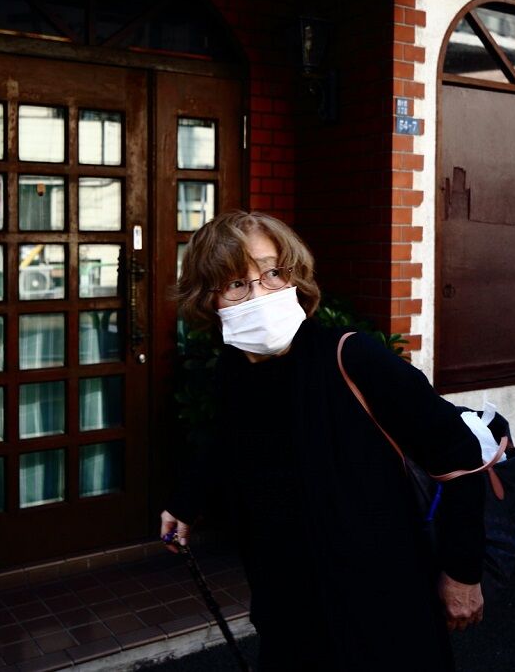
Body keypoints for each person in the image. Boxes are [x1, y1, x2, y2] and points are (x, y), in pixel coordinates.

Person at [160, 210, 487, 671]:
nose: (260, 293)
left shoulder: (353, 356)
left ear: (294, 276)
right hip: (287, 606)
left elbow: (459, 453)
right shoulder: (232, 371)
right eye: (236, 283)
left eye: (272, 273)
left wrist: (462, 573)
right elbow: (225, 442)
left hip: (382, 606)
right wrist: (185, 503)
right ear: (208, 300)